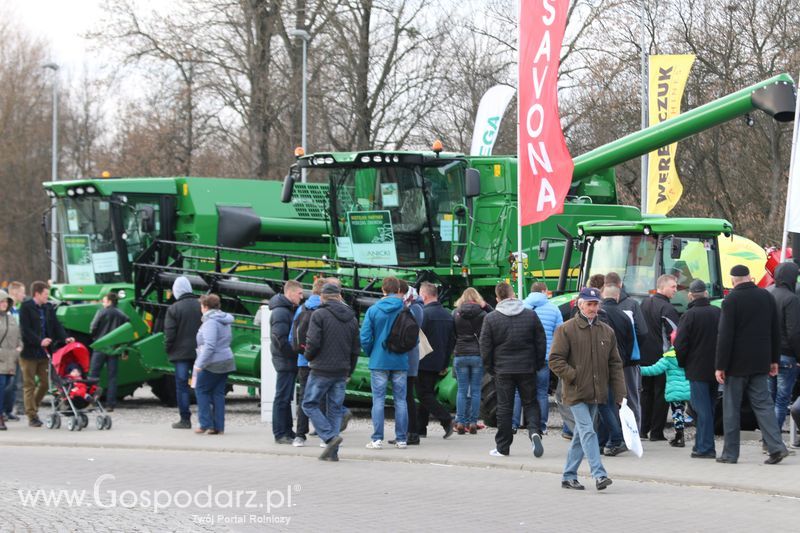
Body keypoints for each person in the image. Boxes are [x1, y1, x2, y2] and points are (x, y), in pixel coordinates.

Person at [549, 287, 625, 491]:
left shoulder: (606, 331)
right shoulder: (566, 329)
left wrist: (620, 393)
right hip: (575, 392)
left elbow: (615, 364)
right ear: (580, 304)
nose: (593, 308)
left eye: (595, 304)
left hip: (597, 392)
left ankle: (568, 475)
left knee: (581, 435)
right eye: (589, 304)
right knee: (588, 431)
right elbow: (555, 360)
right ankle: (599, 474)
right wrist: (573, 376)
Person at [716, 265, 789, 464]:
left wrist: (720, 365)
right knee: (764, 405)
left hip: (736, 365)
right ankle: (776, 447)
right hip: (760, 363)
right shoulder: (766, 296)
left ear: (733, 280)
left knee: (731, 408)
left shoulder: (731, 300)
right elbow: (774, 330)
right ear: (750, 277)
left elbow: (725, 336)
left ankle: (730, 454)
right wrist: (774, 359)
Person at [480, 282, 546, 458]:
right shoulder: (530, 315)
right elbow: (541, 342)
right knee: (530, 402)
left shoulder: (491, 318)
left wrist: (490, 368)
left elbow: (485, 347)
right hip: (527, 367)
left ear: (497, 298)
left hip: (503, 369)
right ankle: (534, 432)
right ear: (513, 295)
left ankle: (503, 447)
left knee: (504, 407)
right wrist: (538, 363)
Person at [302, 283, 360, 461]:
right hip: (342, 370)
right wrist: (350, 369)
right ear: (340, 296)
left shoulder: (319, 314)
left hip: (321, 368)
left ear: (322, 297)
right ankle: (332, 453)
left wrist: (308, 356)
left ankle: (329, 437)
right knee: (334, 409)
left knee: (309, 404)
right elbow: (355, 349)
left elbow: (313, 342)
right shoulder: (352, 318)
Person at [360, 276, 409, 449]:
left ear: (383, 290)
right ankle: (402, 439)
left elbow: (365, 337)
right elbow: (413, 337)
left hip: (379, 360)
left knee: (378, 400)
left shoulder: (373, 310)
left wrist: (372, 352)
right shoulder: (404, 309)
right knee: (401, 401)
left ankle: (377, 439)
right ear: (398, 290)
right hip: (400, 360)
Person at [673, 279, 720, 458]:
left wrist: (683, 363)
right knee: (709, 407)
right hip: (716, 369)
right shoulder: (717, 312)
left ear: (691, 295)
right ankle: (700, 444)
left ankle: (706, 447)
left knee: (702, 409)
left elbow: (680, 344)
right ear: (706, 294)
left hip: (697, 369)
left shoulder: (689, 315)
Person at [19, 281, 73, 427]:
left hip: (44, 353)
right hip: (29, 353)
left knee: (45, 383)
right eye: (45, 294)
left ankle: (33, 407)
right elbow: (25, 330)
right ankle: (32, 416)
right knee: (29, 384)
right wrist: (39, 341)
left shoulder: (48, 308)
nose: (47, 297)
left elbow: (56, 325)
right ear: (37, 294)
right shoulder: (26, 307)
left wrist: (64, 337)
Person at [515, 282, 564, 436]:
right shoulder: (554, 309)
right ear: (544, 291)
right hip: (544, 357)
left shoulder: (520, 306)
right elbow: (560, 333)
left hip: (523, 357)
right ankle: (541, 426)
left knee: (518, 392)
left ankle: (513, 424)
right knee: (541, 393)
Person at [603, 271, 648, 429]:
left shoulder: (599, 308)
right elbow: (642, 331)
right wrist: (631, 350)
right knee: (631, 396)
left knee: (610, 397)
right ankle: (633, 431)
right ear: (620, 285)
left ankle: (614, 432)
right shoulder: (632, 304)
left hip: (606, 360)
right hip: (629, 360)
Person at [640, 274, 679, 441]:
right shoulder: (668, 309)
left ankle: (643, 429)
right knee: (661, 394)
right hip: (661, 358)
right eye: (673, 287)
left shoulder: (644, 303)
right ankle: (656, 432)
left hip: (643, 356)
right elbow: (676, 335)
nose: (675, 290)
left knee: (645, 393)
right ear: (662, 287)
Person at [596, 284, 633, 456]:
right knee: (610, 403)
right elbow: (632, 339)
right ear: (618, 297)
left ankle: (615, 438)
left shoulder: (599, 315)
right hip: (619, 364)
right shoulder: (624, 316)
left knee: (604, 405)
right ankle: (606, 440)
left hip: (601, 366)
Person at [417, 282, 455, 439]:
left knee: (423, 394)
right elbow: (451, 341)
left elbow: (417, 338)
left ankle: (446, 419)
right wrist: (445, 363)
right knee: (427, 393)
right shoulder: (447, 314)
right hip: (438, 361)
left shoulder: (423, 314)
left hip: (423, 360)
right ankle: (421, 428)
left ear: (424, 295)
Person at [290, 277, 325, 447]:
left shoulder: (302, 309)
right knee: (324, 397)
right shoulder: (327, 309)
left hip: (303, 360)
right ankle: (324, 433)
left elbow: (292, 336)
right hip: (323, 362)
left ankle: (299, 435)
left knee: (305, 396)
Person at [193, 294, 235, 435]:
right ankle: (218, 426)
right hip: (226, 359)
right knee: (218, 393)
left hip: (213, 362)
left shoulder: (210, 322)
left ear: (205, 307)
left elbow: (210, 346)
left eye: (201, 306)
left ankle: (205, 424)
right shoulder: (224, 319)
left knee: (201, 390)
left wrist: (199, 363)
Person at [164, 276, 202, 429]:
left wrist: (168, 349)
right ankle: (204, 419)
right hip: (200, 352)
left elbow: (170, 333)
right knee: (200, 385)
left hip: (180, 354)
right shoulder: (201, 305)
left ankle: (185, 419)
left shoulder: (174, 308)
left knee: (181, 386)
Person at [766, 262, 800, 431]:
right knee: (782, 401)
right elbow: (794, 332)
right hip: (786, 355)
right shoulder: (791, 298)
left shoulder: (768, 293)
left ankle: (767, 438)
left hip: (767, 354)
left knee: (769, 400)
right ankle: (773, 440)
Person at [388, 280, 423, 445]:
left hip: (407, 358)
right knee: (406, 396)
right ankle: (410, 432)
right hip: (410, 357)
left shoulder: (412, 308)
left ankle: (411, 433)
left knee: (406, 397)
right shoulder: (415, 305)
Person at [269, 280, 304, 444]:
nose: (302, 297)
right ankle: (280, 433)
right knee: (282, 397)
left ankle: (287, 431)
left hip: (287, 360)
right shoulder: (281, 312)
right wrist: (294, 353)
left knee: (286, 397)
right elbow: (279, 339)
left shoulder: (287, 310)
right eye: (299, 293)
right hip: (285, 360)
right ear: (290, 293)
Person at [452, 287, 488, 435]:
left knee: (461, 390)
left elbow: (452, 334)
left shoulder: (455, 313)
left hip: (460, 354)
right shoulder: (483, 313)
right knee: (475, 390)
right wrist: (485, 305)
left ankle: (460, 421)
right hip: (477, 355)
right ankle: (473, 422)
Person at [640, 348, 690, 447]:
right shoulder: (689, 354)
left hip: (675, 391)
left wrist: (637, 370)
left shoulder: (669, 357)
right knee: (683, 412)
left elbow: (654, 370)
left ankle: (680, 437)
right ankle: (682, 436)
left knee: (677, 413)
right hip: (688, 389)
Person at [88, 292, 129, 412]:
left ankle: (91, 401)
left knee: (93, 375)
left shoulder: (101, 312)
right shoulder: (122, 315)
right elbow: (127, 327)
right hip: (114, 348)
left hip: (100, 346)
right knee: (112, 377)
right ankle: (111, 404)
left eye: (104, 300)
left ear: (110, 301)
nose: (103, 302)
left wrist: (95, 338)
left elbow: (93, 328)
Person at [3, 281, 25, 420]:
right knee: (5, 383)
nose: (24, 295)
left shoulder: (17, 311)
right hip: (5, 353)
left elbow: (18, 333)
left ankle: (8, 410)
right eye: (22, 292)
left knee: (14, 383)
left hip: (16, 352)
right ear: (15, 293)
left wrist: (20, 345)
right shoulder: (6, 312)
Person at [0, 290, 21, 430]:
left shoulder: (11, 318)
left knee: (7, 387)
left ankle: (4, 412)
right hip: (1, 359)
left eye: (6, 301)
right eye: (2, 301)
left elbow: (19, 337)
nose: (4, 304)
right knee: (1, 387)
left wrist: (19, 348)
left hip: (11, 359)